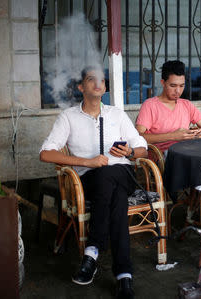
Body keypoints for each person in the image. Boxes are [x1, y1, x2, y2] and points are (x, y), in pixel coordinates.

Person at [40, 66, 146, 299]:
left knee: (109, 175)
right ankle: (124, 275)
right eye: (91, 79)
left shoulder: (117, 114)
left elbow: (143, 150)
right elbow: (46, 154)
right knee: (115, 197)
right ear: (81, 87)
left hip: (123, 174)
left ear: (105, 87)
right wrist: (87, 162)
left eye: (101, 80)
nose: (98, 83)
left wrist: (129, 152)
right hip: (89, 180)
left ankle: (92, 252)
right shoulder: (68, 116)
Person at [135, 60, 201, 153]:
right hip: (162, 158)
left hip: (187, 153)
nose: (178, 91)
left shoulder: (187, 105)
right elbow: (138, 137)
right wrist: (173, 136)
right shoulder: (150, 105)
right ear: (163, 83)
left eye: (182, 86)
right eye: (173, 85)